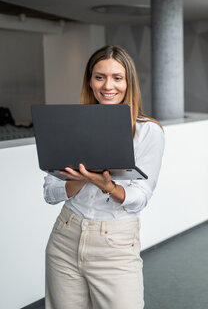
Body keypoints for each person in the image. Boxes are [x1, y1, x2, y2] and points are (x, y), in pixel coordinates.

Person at [43, 45, 165, 308]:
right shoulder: (68, 125)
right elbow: (50, 193)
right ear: (90, 81)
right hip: (65, 236)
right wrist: (82, 178)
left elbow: (140, 198)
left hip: (116, 243)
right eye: (100, 77)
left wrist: (108, 186)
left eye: (117, 78)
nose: (108, 86)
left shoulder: (148, 132)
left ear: (128, 82)